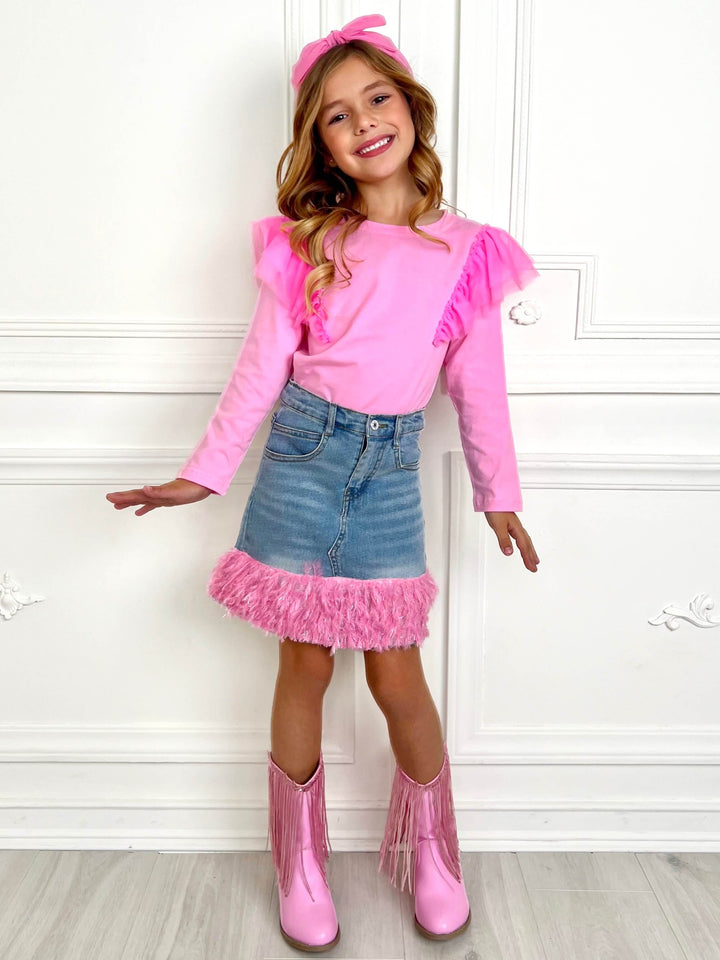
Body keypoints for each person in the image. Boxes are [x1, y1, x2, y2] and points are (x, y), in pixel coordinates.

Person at [106, 12, 540, 953]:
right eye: (338, 115)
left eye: (377, 99)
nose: (364, 122)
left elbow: (479, 383)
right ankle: (300, 863)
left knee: (397, 676)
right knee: (303, 665)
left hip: (388, 474)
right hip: (302, 462)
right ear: (323, 144)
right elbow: (260, 369)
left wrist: (497, 492)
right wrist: (201, 475)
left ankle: (433, 852)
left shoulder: (466, 250)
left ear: (412, 109)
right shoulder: (309, 245)